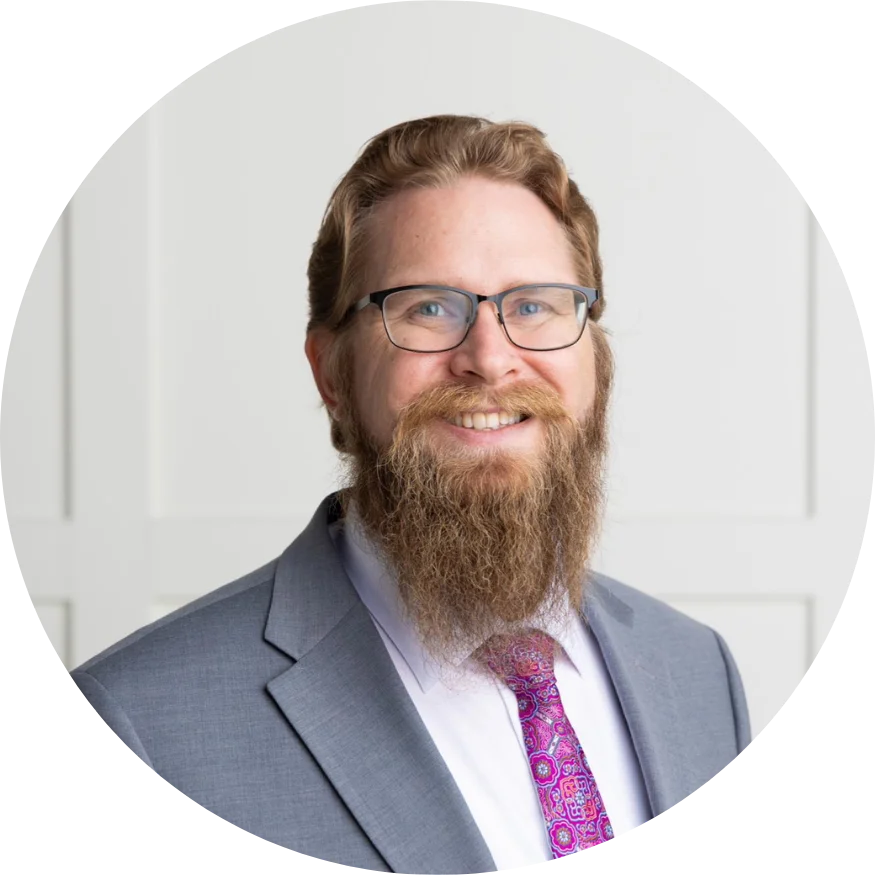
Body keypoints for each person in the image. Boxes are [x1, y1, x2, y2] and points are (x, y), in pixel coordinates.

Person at [69, 115, 750, 872]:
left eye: (534, 305)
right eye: (427, 307)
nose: (490, 359)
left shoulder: (696, 671)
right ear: (331, 373)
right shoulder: (145, 725)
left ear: (595, 357)